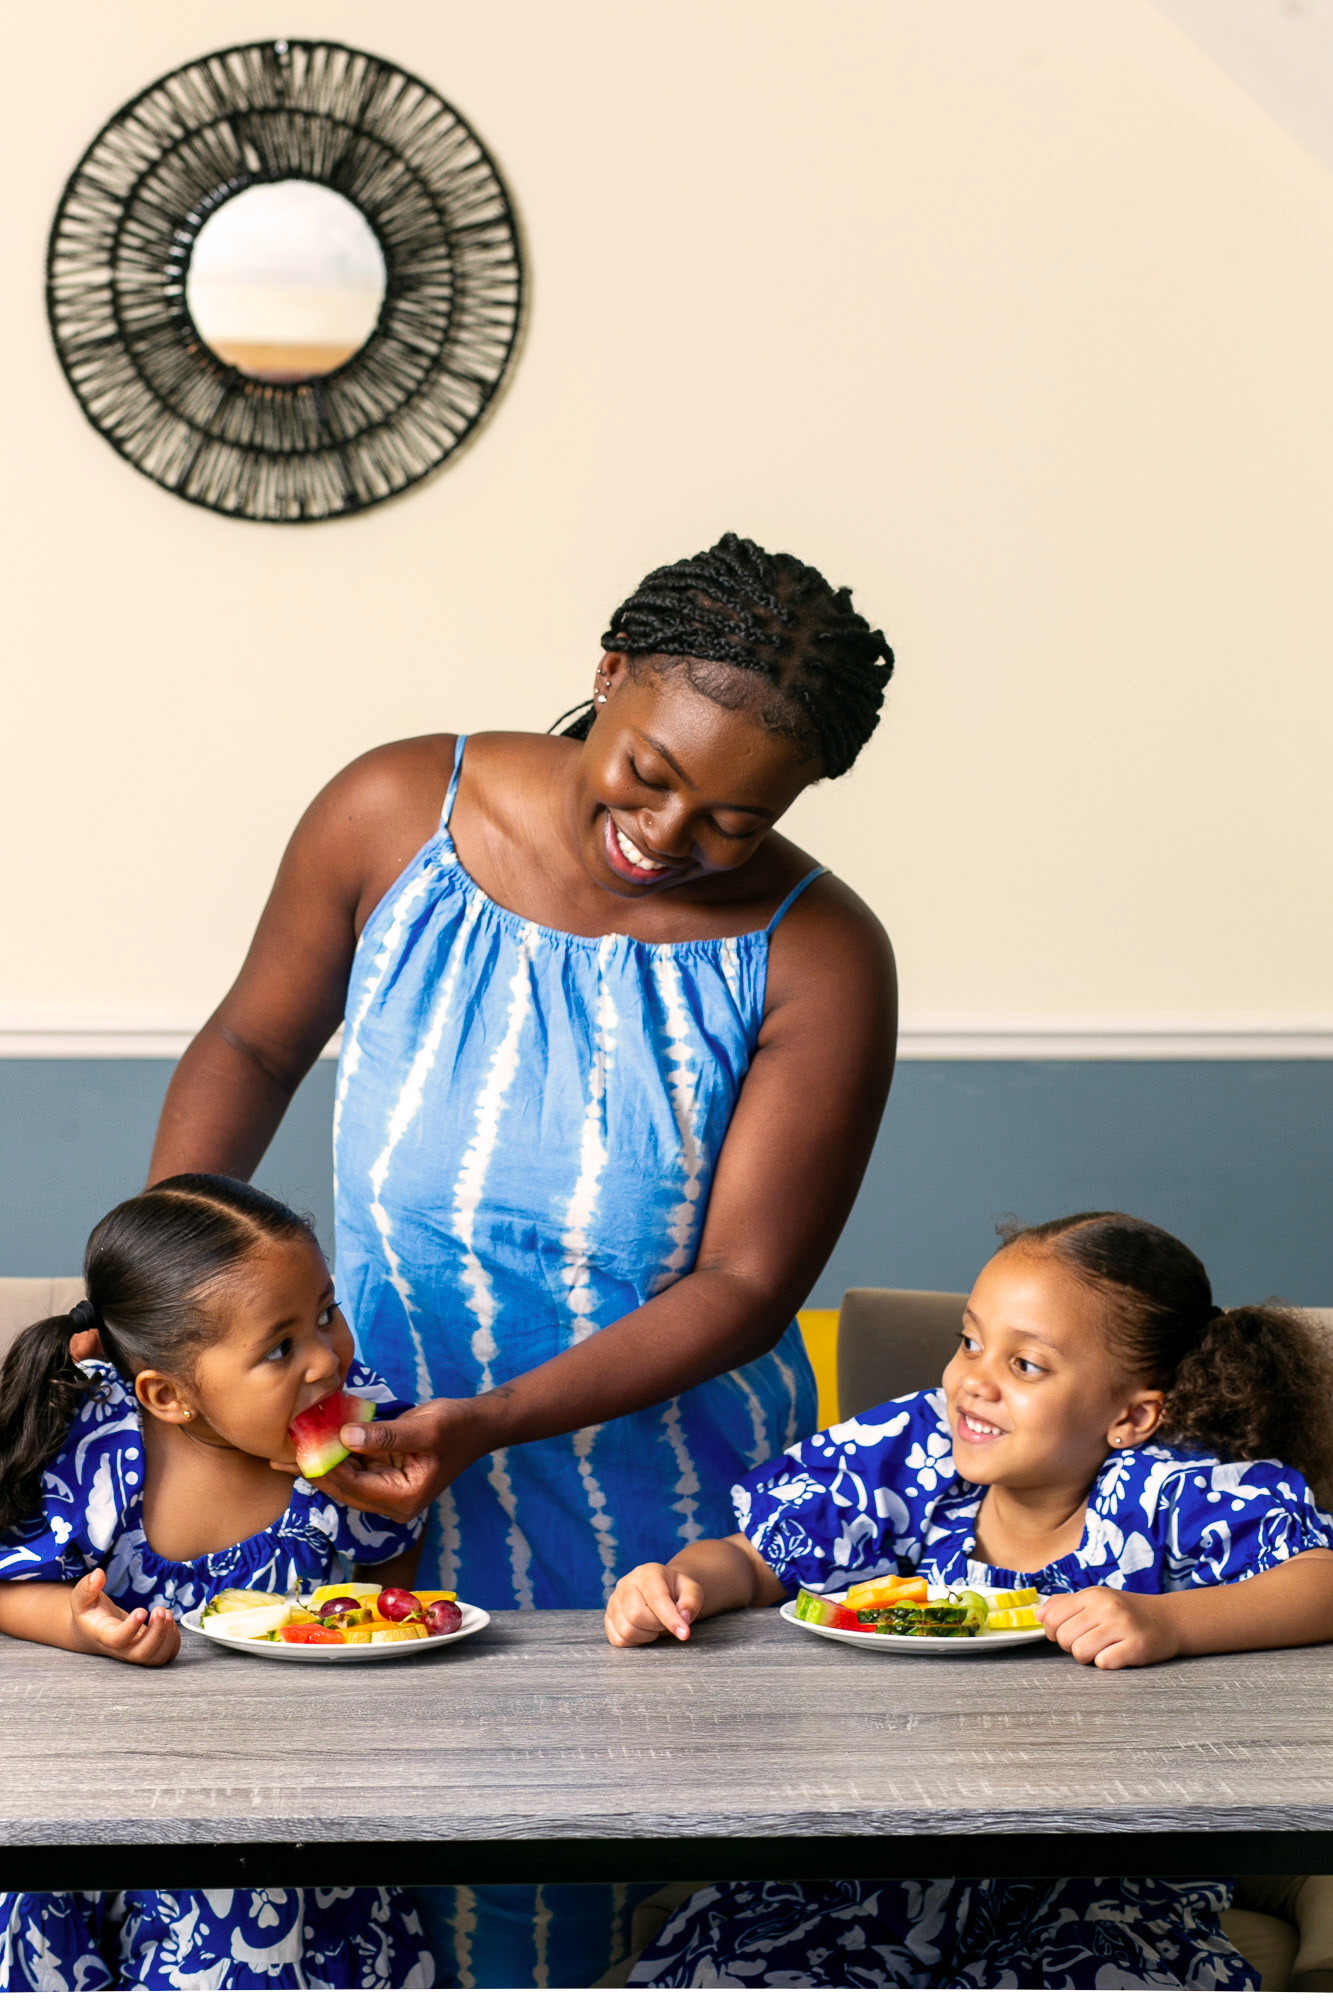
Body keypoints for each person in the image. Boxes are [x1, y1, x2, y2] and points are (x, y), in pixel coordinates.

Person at [148, 533, 897, 1983]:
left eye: (738, 820)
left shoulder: (818, 955)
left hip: (652, 1519)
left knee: (558, 1922)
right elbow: (251, 1041)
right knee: (332, 1901)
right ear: (606, 675)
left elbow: (745, 1292)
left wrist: (489, 1425)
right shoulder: (390, 812)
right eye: (651, 772)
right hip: (353, 1471)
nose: (673, 834)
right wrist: (168, 1293)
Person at [604, 1210, 1333, 1989]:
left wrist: (1167, 1621)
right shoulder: (914, 1454)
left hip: (1101, 1877)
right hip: (878, 1859)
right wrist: (683, 1580)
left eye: (1025, 1366)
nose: (971, 1381)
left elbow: (1321, 1579)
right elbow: (756, 1564)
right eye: (968, 1340)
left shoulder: (1166, 1494)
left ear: (1129, 1416)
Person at [0, 1175, 433, 1990]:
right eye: (280, 1348)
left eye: (326, 1313)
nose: (326, 1357)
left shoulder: (358, 1426)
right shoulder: (99, 1447)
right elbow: (9, 1585)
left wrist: (374, 1598)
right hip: (99, 1786)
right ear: (168, 1397)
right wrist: (81, 1625)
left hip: (284, 1793)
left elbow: (390, 1559)